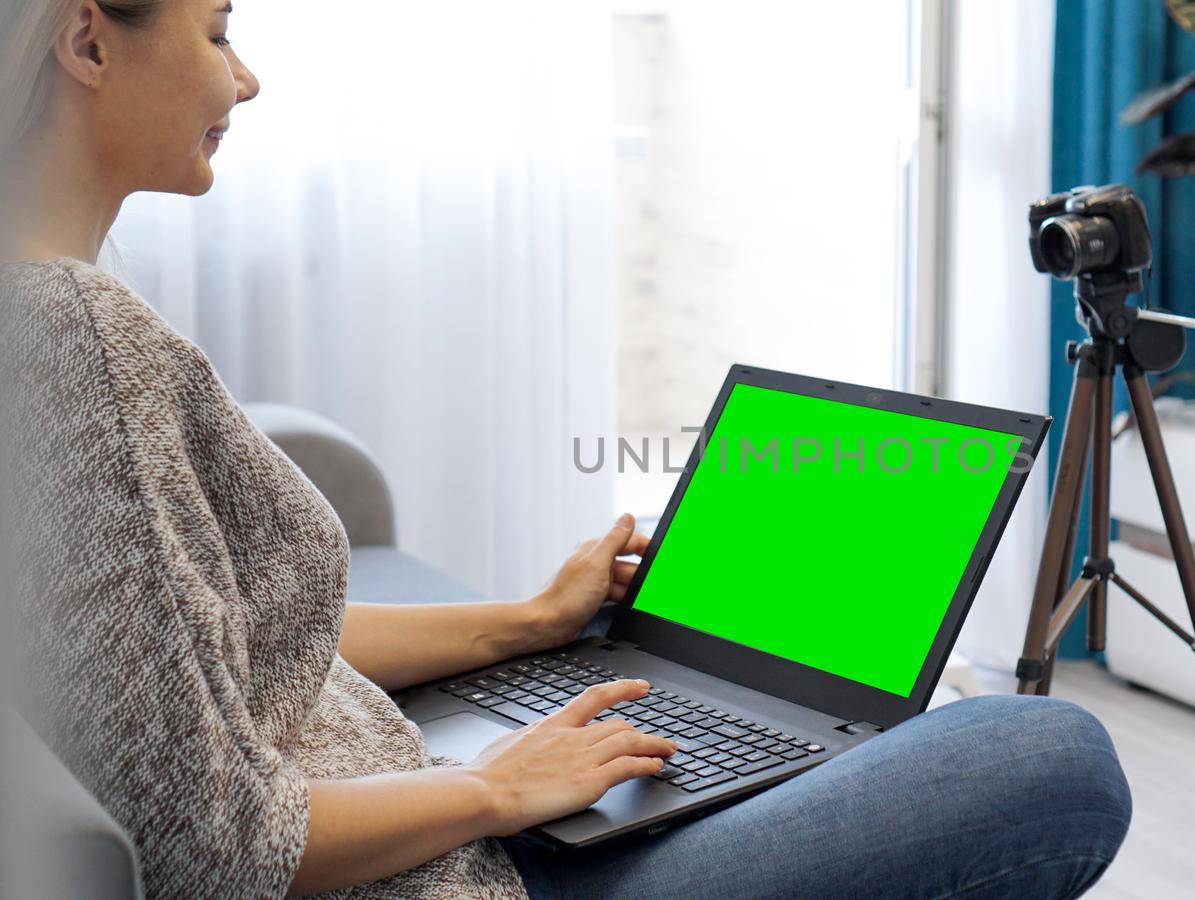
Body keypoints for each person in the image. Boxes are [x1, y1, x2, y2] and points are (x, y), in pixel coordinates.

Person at [0, 1, 1132, 897]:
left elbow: (215, 652)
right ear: (91, 39)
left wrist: (526, 626)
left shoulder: (39, 315)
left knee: (752, 728)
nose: (243, 78)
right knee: (1051, 756)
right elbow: (216, 855)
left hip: (413, 796)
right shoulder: (84, 344)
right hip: (459, 869)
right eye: (220, 31)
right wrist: (497, 791)